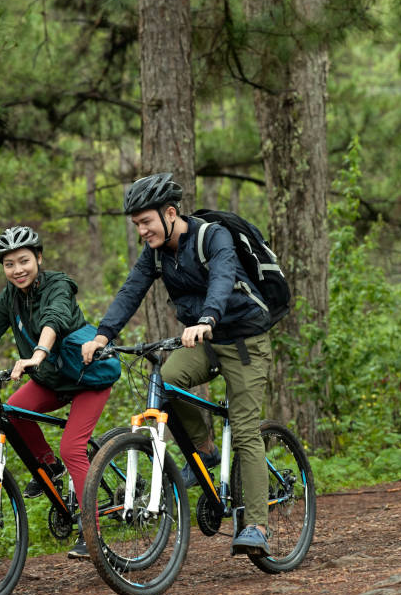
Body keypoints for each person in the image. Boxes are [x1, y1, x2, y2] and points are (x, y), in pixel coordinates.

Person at [80, 173, 274, 557]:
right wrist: (103, 335)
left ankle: (256, 525)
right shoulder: (155, 253)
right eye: (136, 224)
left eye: (145, 222)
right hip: (204, 339)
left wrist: (207, 318)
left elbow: (222, 278)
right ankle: (204, 449)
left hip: (243, 339)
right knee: (168, 380)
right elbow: (131, 290)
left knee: (246, 428)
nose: (141, 231)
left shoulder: (212, 237)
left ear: (170, 213)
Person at [0, 225, 113, 560]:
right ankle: (50, 469)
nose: (17, 270)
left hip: (87, 378)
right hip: (52, 379)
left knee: (72, 447)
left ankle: (93, 531)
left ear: (39, 258)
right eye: (9, 264)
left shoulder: (58, 284)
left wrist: (37, 355)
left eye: (24, 260)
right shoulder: (10, 297)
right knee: (12, 414)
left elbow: (54, 320)